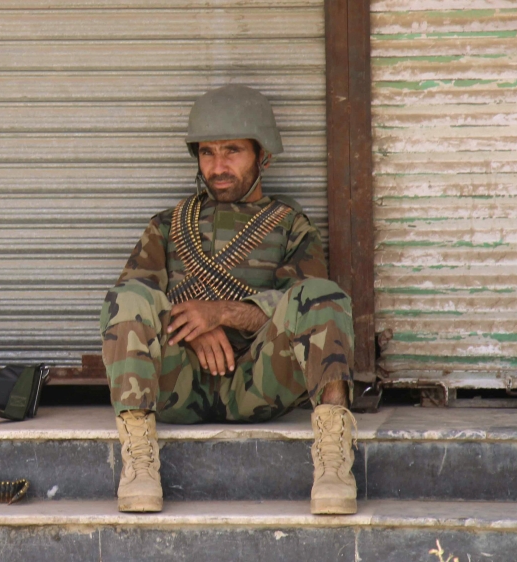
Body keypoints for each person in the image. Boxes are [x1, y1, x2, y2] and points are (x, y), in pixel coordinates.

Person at [100, 85, 357, 515]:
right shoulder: (168, 225)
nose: (217, 167)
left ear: (263, 156)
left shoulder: (290, 225)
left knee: (325, 296)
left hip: (262, 382)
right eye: (207, 153)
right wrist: (193, 327)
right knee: (125, 299)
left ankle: (333, 461)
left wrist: (221, 312)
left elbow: (305, 308)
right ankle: (139, 463)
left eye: (232, 151)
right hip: (180, 386)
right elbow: (130, 308)